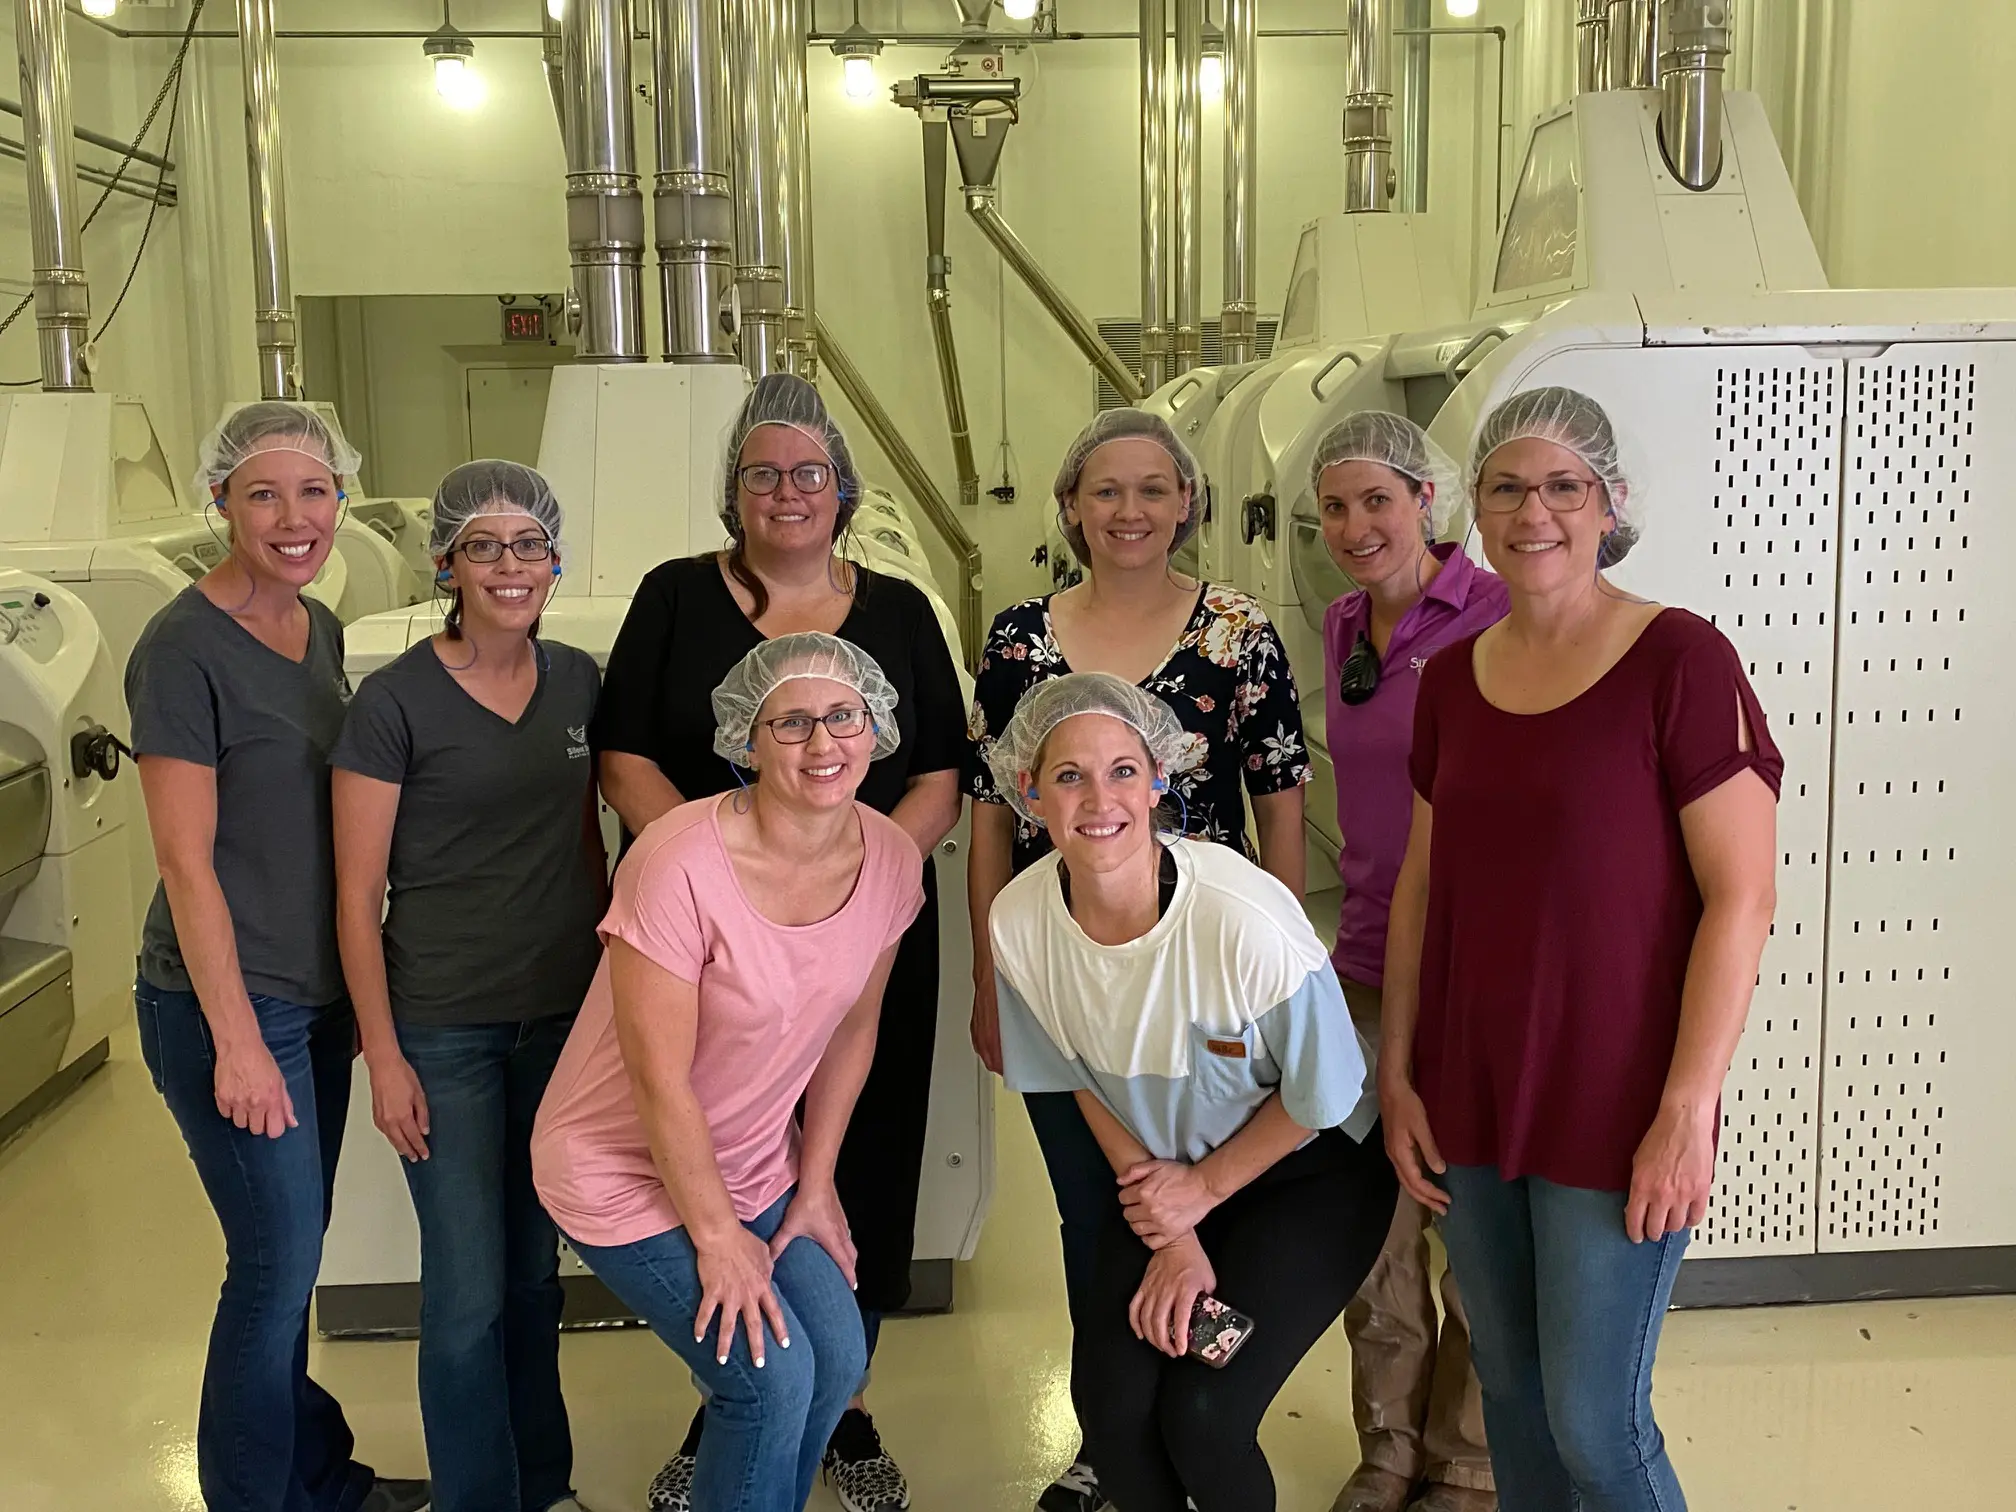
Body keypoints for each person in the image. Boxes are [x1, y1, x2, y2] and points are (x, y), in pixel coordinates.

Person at [1379, 388, 1781, 1512]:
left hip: (1615, 1097)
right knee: (1510, 1396)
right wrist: (1401, 1071)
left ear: (1611, 505)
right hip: (1474, 1088)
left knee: (1597, 1427)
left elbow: (1743, 897)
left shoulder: (1681, 661)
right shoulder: (1452, 680)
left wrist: (1687, 1109)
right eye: (1507, 487)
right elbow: (1422, 888)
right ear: (1474, 507)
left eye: (1565, 486)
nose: (1534, 512)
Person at [594, 373, 964, 1512]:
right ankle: (738, 1397)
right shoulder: (673, 597)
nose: (788, 491)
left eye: (811, 472)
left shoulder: (902, 610)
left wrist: (855, 883)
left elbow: (941, 773)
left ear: (844, 489)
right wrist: (728, 881)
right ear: (734, 491)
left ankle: (842, 1401)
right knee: (714, 1157)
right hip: (705, 949)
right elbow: (622, 755)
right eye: (763, 473)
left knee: (860, 1161)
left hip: (864, 942)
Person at [964, 408, 1311, 1512]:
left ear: (1187, 502)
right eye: (1105, 490)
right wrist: (991, 975)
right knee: (1095, 1208)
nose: (1129, 511)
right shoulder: (1019, 641)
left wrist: (1283, 967)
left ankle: (1194, 1405)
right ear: (1070, 507)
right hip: (1062, 979)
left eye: (1154, 488)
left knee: (1198, 1193)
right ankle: (1108, 1435)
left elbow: (1280, 800)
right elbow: (988, 816)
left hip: (1202, 982)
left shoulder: (1238, 633)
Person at [532, 634, 926, 1512]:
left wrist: (815, 1185)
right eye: (791, 723)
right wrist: (716, 1237)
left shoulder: (892, 859)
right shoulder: (678, 862)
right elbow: (658, 1080)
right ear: (747, 739)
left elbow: (852, 1032)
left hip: (753, 1160)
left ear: (875, 729)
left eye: (843, 717)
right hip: (618, 1166)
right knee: (770, 1387)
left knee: (838, 1365)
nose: (822, 744)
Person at [986, 673, 1397, 1512]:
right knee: (1112, 1411)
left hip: (1308, 1171)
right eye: (1068, 776)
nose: (1099, 799)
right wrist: (1173, 1230)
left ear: (1159, 779)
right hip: (1159, 1177)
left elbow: (1324, 1097)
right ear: (1029, 793)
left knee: (1204, 1414)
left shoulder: (1241, 919)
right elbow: (1073, 1079)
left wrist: (1202, 1192)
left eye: (1122, 771)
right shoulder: (1020, 922)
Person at [126, 401, 427, 1512]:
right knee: (271, 1266)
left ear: (342, 499)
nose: (294, 518)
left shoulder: (321, 628)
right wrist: (239, 1043)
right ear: (220, 503)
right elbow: (185, 862)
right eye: (263, 494)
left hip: (315, 992)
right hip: (227, 1004)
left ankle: (319, 1482)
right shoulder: (181, 651)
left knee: (291, 1261)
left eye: (314, 492)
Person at [331, 461, 605, 1512]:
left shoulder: (578, 681)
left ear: (554, 560)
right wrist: (385, 1056)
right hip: (443, 1030)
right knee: (465, 1294)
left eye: (528, 545)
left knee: (535, 1279)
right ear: (446, 563)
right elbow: (356, 896)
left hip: (561, 1020)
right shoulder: (394, 703)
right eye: (483, 547)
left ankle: (545, 1486)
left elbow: (591, 843)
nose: (509, 566)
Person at [1313, 414, 1506, 1512]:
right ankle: (1388, 1446)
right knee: (1371, 1227)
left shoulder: (1497, 614)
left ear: (1426, 500)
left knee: (1470, 1222)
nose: (1357, 527)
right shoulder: (1344, 623)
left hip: (1473, 965)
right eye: (1336, 507)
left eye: (1378, 501)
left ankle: (1468, 1461)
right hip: (1367, 956)